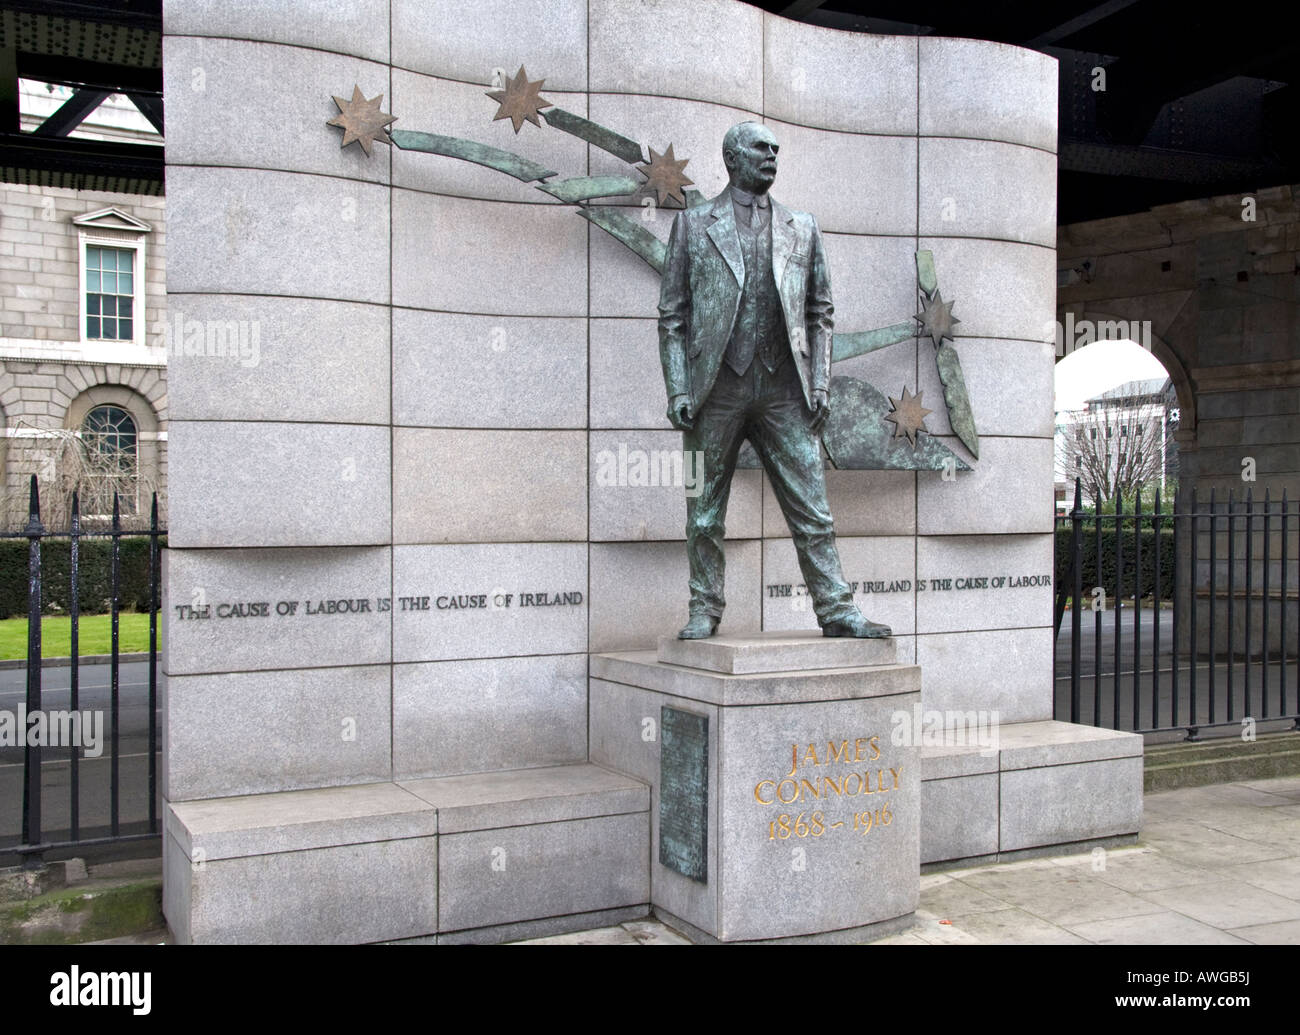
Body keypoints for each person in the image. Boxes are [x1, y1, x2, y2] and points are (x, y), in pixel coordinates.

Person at [657, 121, 892, 641]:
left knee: (813, 508)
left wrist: (822, 384)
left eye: (776, 150)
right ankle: (704, 607)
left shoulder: (802, 226)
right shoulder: (694, 225)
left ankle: (836, 610)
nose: (773, 156)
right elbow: (673, 316)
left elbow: (820, 312)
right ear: (733, 158)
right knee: (703, 514)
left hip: (785, 390)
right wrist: (678, 388)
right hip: (712, 391)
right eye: (762, 149)